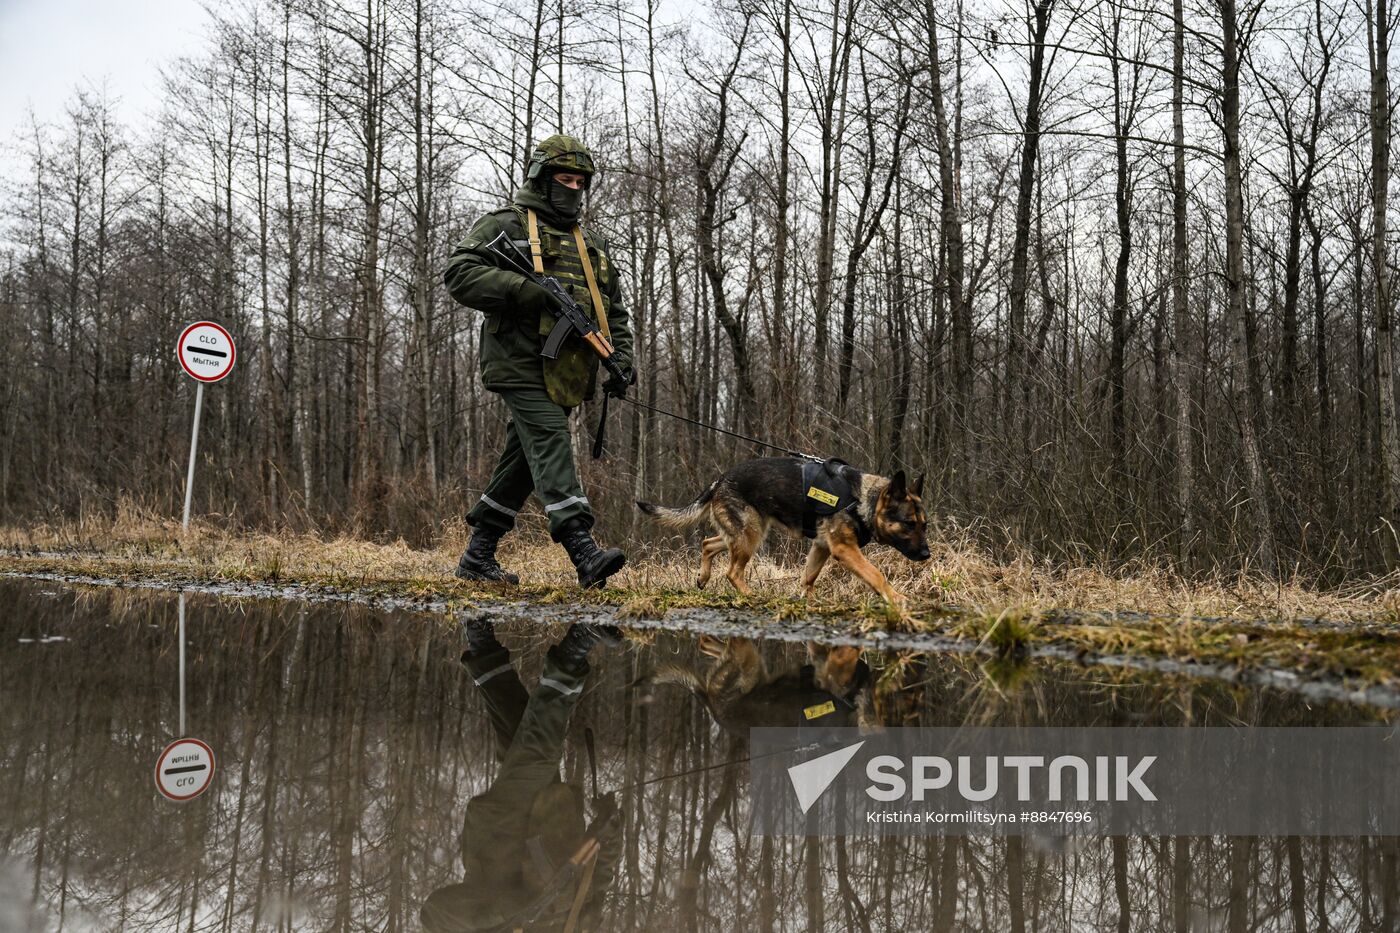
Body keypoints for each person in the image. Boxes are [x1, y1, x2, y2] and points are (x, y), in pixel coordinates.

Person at [444, 134, 635, 589]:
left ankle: (478, 556)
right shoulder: (506, 225)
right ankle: (582, 549)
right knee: (550, 439)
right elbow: (459, 272)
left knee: (524, 461)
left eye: (579, 181)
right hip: (518, 362)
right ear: (542, 179)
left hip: (568, 370)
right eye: (563, 179)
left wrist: (621, 357)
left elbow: (613, 308)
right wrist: (523, 291)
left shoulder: (590, 244)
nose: (572, 188)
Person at [420, 618, 623, 933]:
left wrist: (510, 914)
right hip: (549, 816)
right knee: (518, 727)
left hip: (501, 831)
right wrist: (609, 833)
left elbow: (435, 913)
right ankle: (479, 637)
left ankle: (573, 651)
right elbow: (596, 885)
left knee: (540, 750)